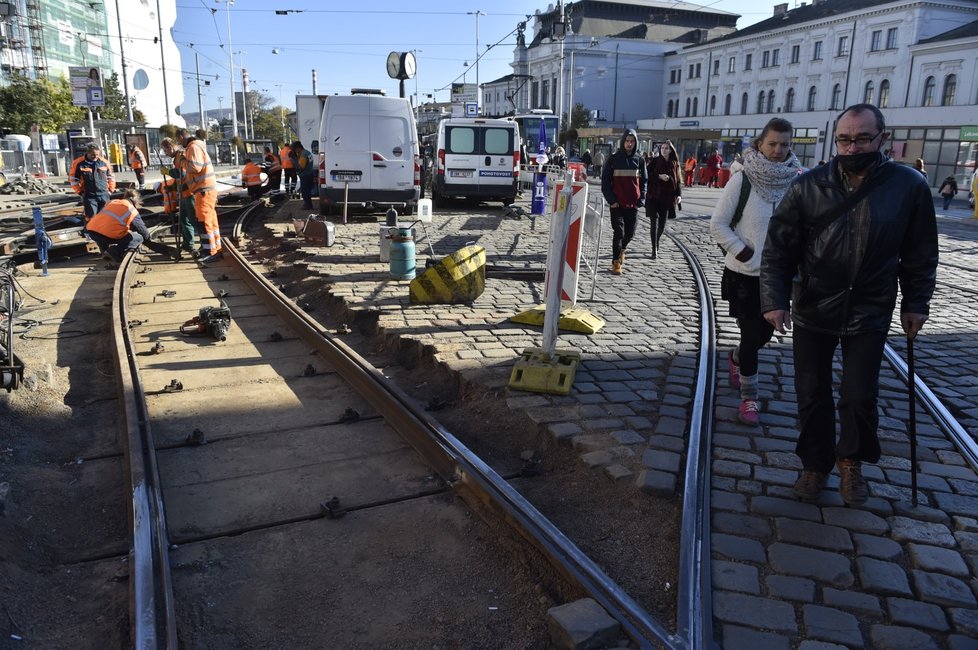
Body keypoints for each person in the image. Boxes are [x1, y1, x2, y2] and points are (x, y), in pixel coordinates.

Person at [759, 104, 938, 505]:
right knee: (811, 393)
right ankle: (814, 465)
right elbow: (778, 249)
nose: (852, 146)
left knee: (859, 395)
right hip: (814, 305)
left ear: (882, 139)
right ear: (834, 139)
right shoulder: (809, 185)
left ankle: (851, 464)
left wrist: (916, 303)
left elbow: (920, 252)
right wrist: (774, 300)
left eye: (861, 138)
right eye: (844, 139)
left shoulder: (908, 186)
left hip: (870, 307)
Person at [711, 118, 801, 427]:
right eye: (772, 144)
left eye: (785, 144)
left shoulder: (797, 181)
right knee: (752, 336)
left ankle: (736, 359)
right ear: (759, 144)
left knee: (762, 336)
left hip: (780, 277)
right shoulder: (743, 180)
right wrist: (743, 249)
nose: (778, 150)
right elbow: (718, 224)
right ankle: (749, 397)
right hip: (745, 275)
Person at [600, 129, 647, 275]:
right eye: (627, 141)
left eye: (632, 141)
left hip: (633, 204)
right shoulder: (613, 159)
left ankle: (622, 249)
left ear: (635, 143)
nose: (629, 144)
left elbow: (644, 181)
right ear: (623, 142)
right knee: (619, 232)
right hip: (617, 204)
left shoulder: (640, 160)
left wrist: (642, 198)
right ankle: (616, 262)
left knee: (630, 233)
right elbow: (605, 182)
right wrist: (611, 200)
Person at [86, 189, 174, 263]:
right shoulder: (131, 209)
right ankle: (113, 251)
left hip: (92, 231)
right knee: (139, 237)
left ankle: (105, 252)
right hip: (106, 234)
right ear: (135, 202)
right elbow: (144, 233)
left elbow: (109, 221)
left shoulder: (112, 202)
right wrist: (150, 243)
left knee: (103, 231)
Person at [176, 127, 223, 264]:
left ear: (181, 137)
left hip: (203, 189)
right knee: (210, 221)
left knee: (204, 221)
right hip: (204, 189)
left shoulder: (193, 147)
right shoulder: (196, 146)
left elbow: (195, 167)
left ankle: (210, 251)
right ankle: (215, 248)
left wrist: (182, 161)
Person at [160, 137, 197, 258]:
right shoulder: (176, 157)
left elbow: (182, 173)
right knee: (184, 220)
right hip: (183, 194)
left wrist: (168, 172)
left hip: (189, 193)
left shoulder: (181, 155)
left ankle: (204, 244)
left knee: (193, 220)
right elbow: (179, 178)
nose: (166, 154)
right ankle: (188, 243)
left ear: (170, 147)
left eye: (166, 151)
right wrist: (172, 188)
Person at [646, 141, 681, 259]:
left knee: (662, 226)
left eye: (666, 148)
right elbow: (646, 175)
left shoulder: (674, 164)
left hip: (667, 199)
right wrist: (658, 176)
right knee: (654, 223)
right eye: (662, 148)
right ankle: (653, 249)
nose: (664, 150)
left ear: (671, 150)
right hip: (653, 197)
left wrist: (679, 195)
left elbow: (678, 181)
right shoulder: (655, 162)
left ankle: (656, 242)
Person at [69, 143, 116, 223]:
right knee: (91, 217)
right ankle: (89, 233)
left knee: (105, 216)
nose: (95, 157)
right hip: (89, 195)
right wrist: (80, 192)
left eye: (97, 154)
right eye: (93, 155)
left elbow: (110, 177)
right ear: (87, 153)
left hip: (104, 194)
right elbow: (73, 179)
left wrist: (110, 190)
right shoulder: (79, 163)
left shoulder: (104, 162)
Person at [292, 141, 316, 210]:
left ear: (299, 148)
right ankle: (309, 205)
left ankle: (307, 205)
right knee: (307, 191)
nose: (295, 151)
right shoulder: (307, 152)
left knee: (305, 192)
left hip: (305, 175)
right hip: (309, 174)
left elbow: (301, 167)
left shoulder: (303, 155)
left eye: (295, 149)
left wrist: (293, 160)